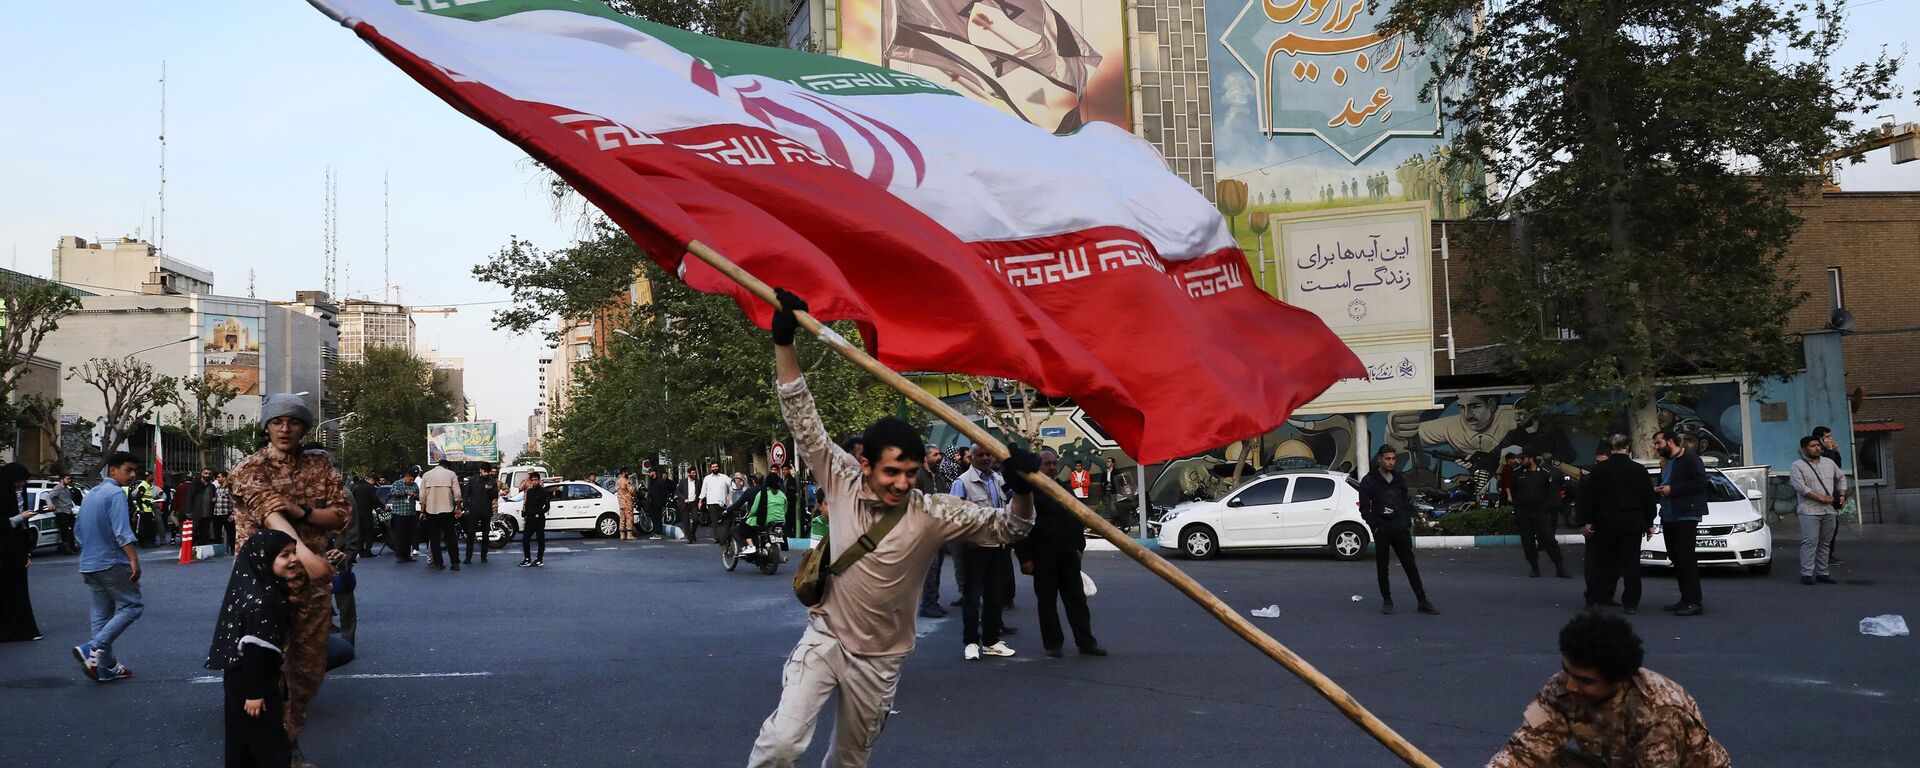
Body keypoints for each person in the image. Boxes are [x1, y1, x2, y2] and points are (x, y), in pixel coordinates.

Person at [748, 289, 1037, 767]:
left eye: (909, 472)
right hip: (826, 638)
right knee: (781, 744)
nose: (901, 484)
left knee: (848, 760)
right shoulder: (839, 477)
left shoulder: (933, 513)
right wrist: (784, 343)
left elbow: (1011, 529)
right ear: (865, 466)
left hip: (881, 661)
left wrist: (1023, 487)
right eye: (890, 473)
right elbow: (802, 418)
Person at [227, 395, 350, 764]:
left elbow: (340, 515)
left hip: (311, 588)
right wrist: (306, 555)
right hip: (263, 587)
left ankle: (288, 739)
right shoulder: (249, 469)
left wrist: (303, 510)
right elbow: (270, 516)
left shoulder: (320, 466)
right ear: (266, 426)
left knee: (307, 671)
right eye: (277, 421)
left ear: (303, 428)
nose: (285, 428)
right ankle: (276, 753)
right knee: (262, 671)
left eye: (293, 422)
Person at [1486, 613, 1731, 767]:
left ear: (1619, 681)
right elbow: (1523, 754)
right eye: (1566, 670)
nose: (1570, 685)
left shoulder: (1658, 711)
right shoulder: (1561, 688)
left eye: (1585, 681)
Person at [206, 529, 308, 768]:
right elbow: (254, 651)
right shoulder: (261, 602)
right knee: (267, 744)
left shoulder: (264, 589)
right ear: (264, 559)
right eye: (284, 555)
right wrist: (255, 694)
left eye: (294, 552)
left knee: (244, 742)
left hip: (248, 681)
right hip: (252, 684)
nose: (294, 559)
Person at [1015, 449, 1105, 658]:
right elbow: (1019, 527)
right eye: (1047, 464)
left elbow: (1076, 517)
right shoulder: (1028, 492)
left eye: (1054, 463)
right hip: (1042, 556)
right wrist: (1025, 558)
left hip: (1067, 555)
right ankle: (1053, 644)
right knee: (1047, 603)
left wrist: (1079, 547)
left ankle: (1086, 643)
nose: (1052, 467)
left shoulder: (1063, 488)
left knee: (1077, 602)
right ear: (1038, 466)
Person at [74, 451, 144, 682]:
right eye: (128, 470)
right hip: (111, 562)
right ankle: (93, 647)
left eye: (134, 471)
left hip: (88, 563)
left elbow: (78, 532)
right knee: (132, 606)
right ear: (112, 470)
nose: (133, 475)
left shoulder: (92, 493)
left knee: (101, 616)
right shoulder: (115, 493)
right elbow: (122, 531)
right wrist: (133, 559)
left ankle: (105, 666)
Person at [951, 443, 1016, 658]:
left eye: (989, 454)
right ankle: (970, 642)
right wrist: (968, 538)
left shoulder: (998, 480)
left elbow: (1010, 505)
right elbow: (953, 515)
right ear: (971, 458)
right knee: (972, 597)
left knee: (994, 596)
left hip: (998, 545)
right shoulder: (962, 482)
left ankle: (991, 641)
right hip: (975, 548)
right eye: (980, 455)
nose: (986, 458)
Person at [1578, 435, 1656, 613]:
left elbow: (1592, 498)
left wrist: (1589, 521)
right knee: (1631, 565)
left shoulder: (1600, 470)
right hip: (1633, 522)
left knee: (1600, 562)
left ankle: (1595, 598)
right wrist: (1649, 522)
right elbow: (1648, 499)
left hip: (1606, 522)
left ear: (1611, 447)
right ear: (1628, 447)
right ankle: (1631, 604)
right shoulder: (1639, 470)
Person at [1357, 445, 1437, 615]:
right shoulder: (1369, 481)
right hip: (1382, 530)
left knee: (1410, 566)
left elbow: (1404, 502)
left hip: (1400, 529)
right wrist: (1375, 527)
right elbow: (1365, 508)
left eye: (1393, 458)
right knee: (1382, 567)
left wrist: (1406, 521)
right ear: (1379, 459)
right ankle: (1387, 601)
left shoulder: (1399, 478)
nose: (1391, 462)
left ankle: (1422, 601)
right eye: (1387, 458)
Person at [1653, 430, 1707, 616]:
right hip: (1669, 515)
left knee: (1686, 558)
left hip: (1685, 515)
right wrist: (1660, 488)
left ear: (1670, 441)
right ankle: (1685, 598)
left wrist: (1672, 490)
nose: (1656, 447)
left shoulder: (1690, 458)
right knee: (1676, 557)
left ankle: (1694, 601)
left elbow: (1701, 483)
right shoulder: (1668, 462)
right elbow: (1667, 482)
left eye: (1658, 443)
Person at [1789, 435, 1845, 586]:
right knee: (1810, 541)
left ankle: (1823, 573)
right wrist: (1821, 497)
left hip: (1829, 511)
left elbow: (1841, 477)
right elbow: (1800, 487)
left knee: (1825, 543)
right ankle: (1806, 574)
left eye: (1818, 445)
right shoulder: (1797, 466)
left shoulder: (1829, 462)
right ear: (1804, 449)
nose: (1817, 448)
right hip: (1809, 511)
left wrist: (1841, 494)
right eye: (1813, 446)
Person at [1509, 454, 1570, 579]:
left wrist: (1544, 509)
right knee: (1528, 542)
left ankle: (1560, 568)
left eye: (1523, 458)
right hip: (1524, 514)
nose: (1520, 461)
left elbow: (1549, 493)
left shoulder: (1544, 474)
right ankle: (1534, 567)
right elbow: (1514, 493)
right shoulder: (1516, 474)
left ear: (1530, 458)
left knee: (1549, 540)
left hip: (1539, 513)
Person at [0, 463, 41, 642]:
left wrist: (27, 553)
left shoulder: (17, 495)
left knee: (18, 591)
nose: (22, 485)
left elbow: (21, 529)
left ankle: (22, 629)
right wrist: (20, 517)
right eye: (19, 481)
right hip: (3, 551)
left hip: (16, 552)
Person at [915, 445, 950, 619]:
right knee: (931, 567)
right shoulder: (918, 476)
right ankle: (927, 604)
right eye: (935, 455)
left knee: (937, 567)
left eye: (939, 454)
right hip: (926, 531)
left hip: (940, 530)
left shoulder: (939, 476)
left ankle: (933, 601)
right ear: (925, 458)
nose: (939, 457)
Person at [418, 460, 463, 572]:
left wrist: (423, 511)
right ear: (446, 466)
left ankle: (438, 563)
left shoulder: (426, 475)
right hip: (447, 509)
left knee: (434, 538)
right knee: (450, 537)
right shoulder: (451, 474)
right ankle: (455, 563)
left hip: (431, 510)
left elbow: (422, 496)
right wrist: (458, 508)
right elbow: (457, 494)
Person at [1812, 425, 1846, 565]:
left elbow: (1837, 467)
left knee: (1832, 527)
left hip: (1830, 495)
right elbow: (1828, 466)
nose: (1830, 439)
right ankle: (1820, 557)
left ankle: (1827, 555)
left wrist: (1835, 451)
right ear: (1819, 438)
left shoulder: (1829, 452)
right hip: (1818, 496)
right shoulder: (1816, 452)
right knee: (1818, 531)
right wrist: (1831, 452)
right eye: (1827, 437)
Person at [463, 467, 499, 564]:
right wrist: (465, 507)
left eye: (488, 472)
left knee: (485, 535)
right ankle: (468, 557)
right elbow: (466, 494)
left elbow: (495, 495)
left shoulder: (492, 481)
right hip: (474, 511)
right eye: (485, 471)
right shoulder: (473, 480)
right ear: (480, 470)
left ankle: (484, 556)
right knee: (470, 534)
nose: (486, 474)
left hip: (486, 511)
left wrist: (490, 490)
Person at [387, 470, 421, 563]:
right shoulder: (397, 483)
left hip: (411, 514)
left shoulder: (414, 485)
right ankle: (399, 555)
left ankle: (407, 555)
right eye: (410, 479)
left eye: (413, 480)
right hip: (399, 514)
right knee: (399, 536)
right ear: (406, 477)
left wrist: (416, 496)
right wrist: (406, 493)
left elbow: (419, 495)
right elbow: (393, 493)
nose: (411, 481)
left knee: (409, 536)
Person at [520, 472, 549, 567]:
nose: (534, 482)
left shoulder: (543, 491)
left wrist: (540, 513)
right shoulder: (530, 491)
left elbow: (547, 506)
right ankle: (527, 558)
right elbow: (527, 504)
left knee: (540, 539)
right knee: (525, 539)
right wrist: (525, 513)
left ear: (539, 480)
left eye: (536, 480)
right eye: (532, 480)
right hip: (529, 518)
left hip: (539, 519)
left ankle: (539, 559)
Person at [698, 462, 731, 545]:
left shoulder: (724, 477)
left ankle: (724, 536)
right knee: (714, 521)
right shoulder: (707, 478)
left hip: (722, 503)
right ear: (711, 468)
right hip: (711, 502)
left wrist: (730, 495)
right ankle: (717, 537)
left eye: (716, 466)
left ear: (718, 467)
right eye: (713, 467)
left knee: (723, 520)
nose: (715, 468)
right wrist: (700, 501)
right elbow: (703, 491)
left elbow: (732, 486)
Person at [349, 473, 381, 558]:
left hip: (356, 512)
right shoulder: (371, 488)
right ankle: (368, 550)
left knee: (360, 532)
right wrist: (383, 506)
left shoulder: (356, 487)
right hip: (366, 512)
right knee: (368, 531)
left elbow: (351, 499)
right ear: (371, 480)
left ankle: (360, 550)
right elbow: (375, 499)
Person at [50, 473, 80, 555]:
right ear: (61, 479)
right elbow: (49, 497)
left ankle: (72, 545)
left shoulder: (67, 489)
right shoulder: (57, 488)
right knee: (65, 530)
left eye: (69, 478)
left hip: (68, 511)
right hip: (61, 512)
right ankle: (66, 547)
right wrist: (50, 504)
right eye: (67, 478)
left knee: (73, 527)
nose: (69, 480)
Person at [643, 465, 671, 540]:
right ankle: (655, 532)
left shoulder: (660, 481)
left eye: (650, 472)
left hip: (658, 503)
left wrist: (662, 502)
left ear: (654, 472)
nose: (649, 474)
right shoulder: (651, 481)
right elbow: (650, 491)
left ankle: (658, 533)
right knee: (653, 518)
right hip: (652, 503)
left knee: (658, 518)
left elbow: (664, 492)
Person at [213, 471, 237, 556]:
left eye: (219, 477)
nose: (217, 479)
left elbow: (235, 501)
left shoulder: (230, 488)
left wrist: (233, 514)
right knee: (216, 532)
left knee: (231, 532)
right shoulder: (218, 488)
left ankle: (233, 549)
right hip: (217, 513)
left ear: (224, 478)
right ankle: (218, 550)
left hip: (227, 512)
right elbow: (217, 498)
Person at [614, 468, 635, 540]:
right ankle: (629, 534)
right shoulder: (626, 481)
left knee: (622, 518)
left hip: (621, 502)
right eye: (626, 472)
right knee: (629, 517)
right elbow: (631, 490)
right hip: (627, 502)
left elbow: (617, 490)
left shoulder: (617, 481)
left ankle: (622, 534)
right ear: (624, 473)